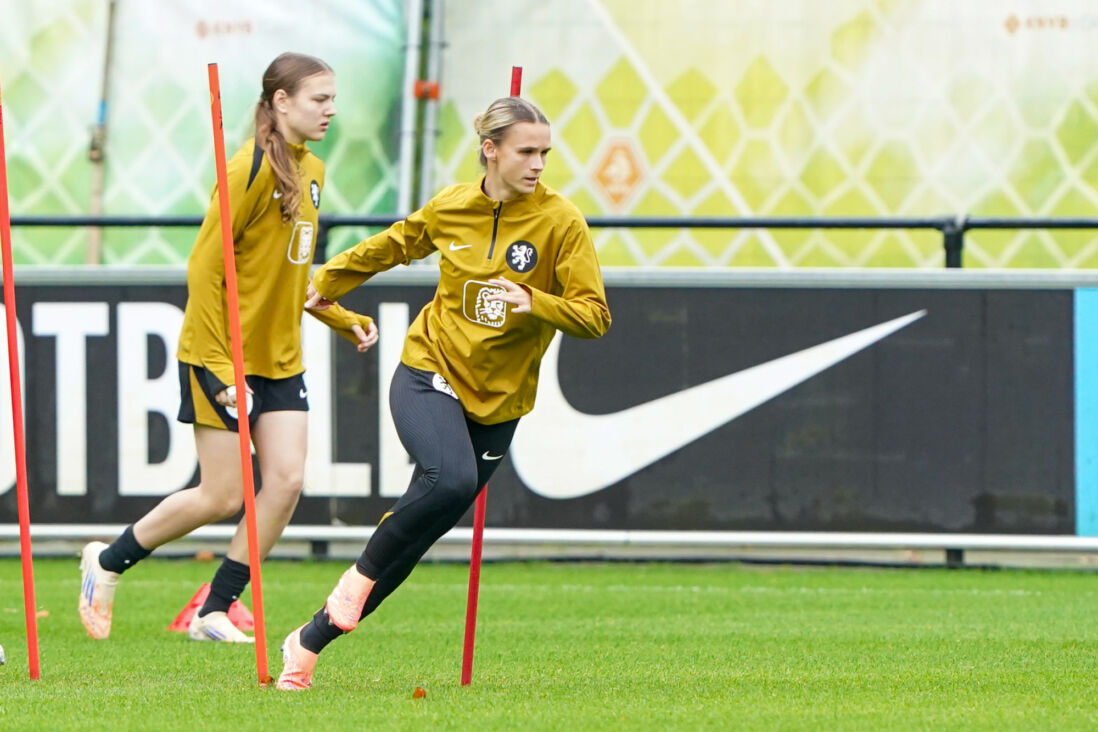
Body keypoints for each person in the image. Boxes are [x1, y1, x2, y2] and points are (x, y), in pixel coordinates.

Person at [275, 96, 612, 690]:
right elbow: (394, 244)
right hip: (429, 369)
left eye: (545, 153)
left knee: (415, 537)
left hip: (502, 400)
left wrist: (537, 302)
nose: (539, 164)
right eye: (527, 151)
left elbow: (595, 318)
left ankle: (306, 646)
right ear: (491, 150)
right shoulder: (453, 206)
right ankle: (351, 584)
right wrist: (327, 281)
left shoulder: (562, 222)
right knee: (448, 480)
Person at [78, 52, 377, 643]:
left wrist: (341, 318)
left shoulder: (313, 168)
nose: (331, 109)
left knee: (286, 481)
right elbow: (204, 271)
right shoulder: (244, 168)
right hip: (220, 352)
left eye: (333, 98)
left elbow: (288, 271)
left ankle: (214, 609)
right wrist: (219, 370)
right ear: (281, 101)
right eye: (319, 98)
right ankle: (107, 562)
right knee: (222, 494)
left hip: (280, 354)